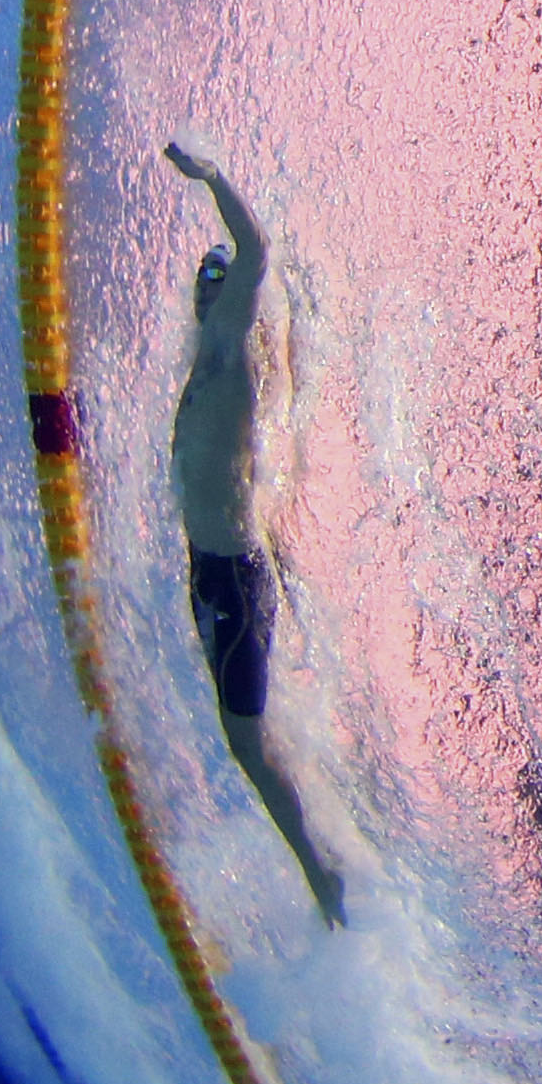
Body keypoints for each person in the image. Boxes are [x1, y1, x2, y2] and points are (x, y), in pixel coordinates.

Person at [165, 141, 345, 926]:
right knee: (243, 737)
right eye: (205, 280)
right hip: (212, 570)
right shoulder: (204, 358)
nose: (207, 291)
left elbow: (256, 250)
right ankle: (323, 863)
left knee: (247, 744)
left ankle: (325, 882)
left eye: (216, 280)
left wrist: (212, 180)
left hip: (234, 574)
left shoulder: (232, 350)